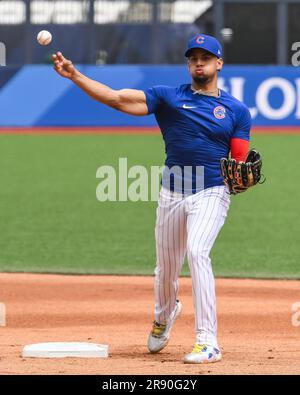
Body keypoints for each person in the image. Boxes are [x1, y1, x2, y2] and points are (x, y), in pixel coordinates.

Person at [52, 34, 251, 364]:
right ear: (188, 64)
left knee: (198, 251)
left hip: (212, 191)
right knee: (166, 270)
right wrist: (75, 75)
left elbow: (240, 158)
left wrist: (241, 175)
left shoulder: (237, 110)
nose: (198, 62)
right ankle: (165, 314)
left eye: (206, 56)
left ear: (219, 63)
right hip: (172, 192)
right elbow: (117, 98)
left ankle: (207, 341)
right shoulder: (168, 98)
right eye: (193, 57)